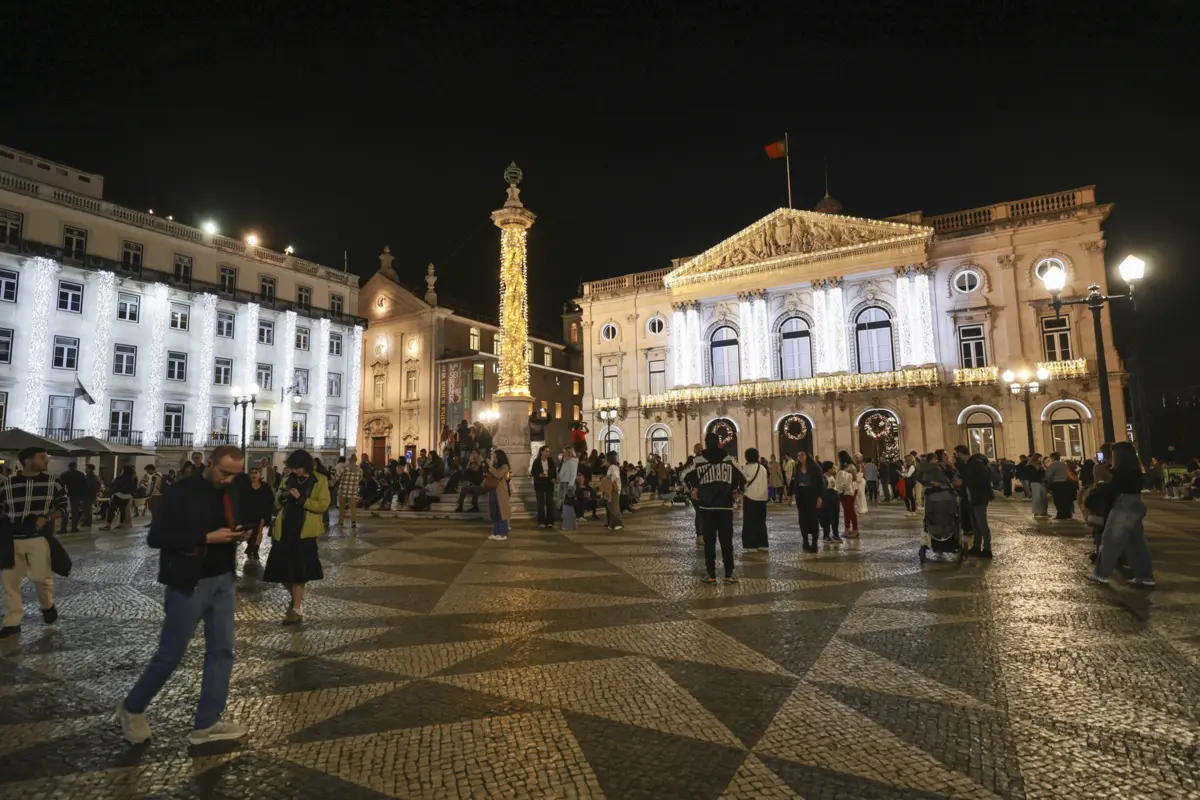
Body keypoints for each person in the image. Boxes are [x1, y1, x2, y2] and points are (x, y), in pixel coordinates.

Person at [116, 445, 250, 744]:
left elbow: (231, 519)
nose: (229, 479)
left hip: (223, 579)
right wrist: (205, 538)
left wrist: (240, 532)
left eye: (235, 474)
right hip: (189, 582)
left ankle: (206, 724)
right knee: (170, 654)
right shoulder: (182, 491)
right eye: (225, 472)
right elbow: (157, 537)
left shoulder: (233, 489)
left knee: (222, 651)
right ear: (210, 463)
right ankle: (131, 707)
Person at [0, 447, 69, 639]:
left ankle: (47, 605)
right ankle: (12, 622)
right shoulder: (8, 485)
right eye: (42, 457)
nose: (46, 460)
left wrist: (46, 517)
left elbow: (64, 506)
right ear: (27, 461)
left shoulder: (53, 483)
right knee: (9, 582)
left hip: (38, 538)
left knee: (40, 577)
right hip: (11, 539)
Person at [262, 450, 329, 624]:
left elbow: (322, 505)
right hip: (285, 529)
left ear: (306, 466)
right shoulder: (288, 478)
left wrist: (302, 500)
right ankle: (296, 596)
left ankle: (296, 609)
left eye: (298, 468)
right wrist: (281, 497)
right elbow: (277, 503)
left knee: (300, 572)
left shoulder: (319, 480)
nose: (296, 471)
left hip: (304, 531)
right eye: (293, 468)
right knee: (280, 570)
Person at [1088, 441, 1155, 586]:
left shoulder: (1119, 472)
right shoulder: (1136, 471)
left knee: (1111, 540)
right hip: (1136, 505)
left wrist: (1101, 479)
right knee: (1137, 543)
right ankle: (1146, 577)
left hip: (1123, 506)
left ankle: (1101, 574)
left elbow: (1111, 488)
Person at [682, 432, 745, 583]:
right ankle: (729, 573)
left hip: (706, 507)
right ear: (718, 443)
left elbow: (683, 475)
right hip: (725, 507)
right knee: (726, 541)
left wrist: (692, 490)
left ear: (706, 443)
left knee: (709, 542)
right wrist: (737, 491)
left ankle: (711, 574)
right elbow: (743, 477)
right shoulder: (729, 460)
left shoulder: (698, 460)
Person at [955, 445, 994, 558]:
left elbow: (981, 479)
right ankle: (976, 546)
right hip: (972, 498)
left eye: (956, 454)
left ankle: (987, 549)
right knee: (975, 524)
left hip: (979, 497)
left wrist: (963, 482)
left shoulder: (975, 463)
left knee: (981, 524)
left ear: (960, 453)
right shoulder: (970, 463)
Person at [791, 450, 825, 551]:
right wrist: (790, 495)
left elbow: (820, 483)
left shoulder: (815, 468)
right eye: (798, 455)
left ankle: (814, 542)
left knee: (813, 519)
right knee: (803, 519)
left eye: (802, 455)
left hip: (812, 495)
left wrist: (820, 497)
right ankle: (805, 541)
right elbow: (793, 481)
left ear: (807, 456)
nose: (800, 457)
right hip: (801, 496)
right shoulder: (796, 468)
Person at [242, 465, 275, 565]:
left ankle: (255, 550)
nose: (253, 474)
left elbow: (271, 499)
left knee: (259, 530)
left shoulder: (265, 486)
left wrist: (270, 511)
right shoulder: (245, 486)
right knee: (249, 532)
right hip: (248, 513)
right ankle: (250, 545)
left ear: (259, 474)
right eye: (251, 472)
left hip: (262, 512)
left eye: (256, 472)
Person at [740, 447, 769, 552]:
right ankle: (762, 543)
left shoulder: (746, 469)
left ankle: (751, 544)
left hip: (750, 498)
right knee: (761, 522)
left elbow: (743, 483)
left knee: (749, 522)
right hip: (762, 498)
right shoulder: (763, 468)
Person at [101, 465, 138, 529]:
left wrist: (112, 492)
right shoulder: (133, 479)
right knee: (122, 509)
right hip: (128, 497)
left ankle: (108, 525)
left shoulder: (119, 478)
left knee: (111, 508)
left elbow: (113, 487)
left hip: (118, 495)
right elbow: (135, 489)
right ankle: (122, 523)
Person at [487, 449, 512, 541]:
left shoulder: (504, 466)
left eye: (494, 455)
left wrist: (490, 466)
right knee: (495, 512)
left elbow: (498, 474)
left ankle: (503, 533)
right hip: (493, 490)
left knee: (502, 512)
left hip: (501, 491)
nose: (493, 457)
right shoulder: (495, 465)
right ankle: (496, 532)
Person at [530, 445, 558, 529]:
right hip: (540, 484)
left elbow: (553, 470)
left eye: (548, 451)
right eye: (546, 451)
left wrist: (553, 478)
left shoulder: (550, 460)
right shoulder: (537, 461)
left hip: (549, 483)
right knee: (540, 503)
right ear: (541, 452)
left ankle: (550, 521)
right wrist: (539, 474)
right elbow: (533, 472)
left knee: (549, 502)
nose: (547, 453)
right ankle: (541, 521)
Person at [835, 453, 861, 537]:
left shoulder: (851, 466)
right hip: (843, 489)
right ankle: (847, 528)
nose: (838, 459)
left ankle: (855, 529)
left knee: (851, 509)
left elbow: (854, 477)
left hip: (850, 489)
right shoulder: (842, 466)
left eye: (839, 457)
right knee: (846, 510)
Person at [334, 454, 361, 529]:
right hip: (353, 491)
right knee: (352, 508)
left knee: (341, 507)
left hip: (343, 490)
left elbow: (338, 477)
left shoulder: (345, 469)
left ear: (349, 460)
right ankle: (353, 522)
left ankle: (340, 522)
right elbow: (360, 479)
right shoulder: (360, 470)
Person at [819, 461, 842, 542]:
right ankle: (826, 535)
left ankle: (836, 534)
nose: (834, 469)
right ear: (828, 469)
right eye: (832, 468)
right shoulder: (823, 478)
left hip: (834, 497)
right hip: (827, 497)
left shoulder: (833, 476)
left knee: (835, 517)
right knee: (826, 517)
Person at [1045, 452, 1072, 520]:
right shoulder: (1063, 464)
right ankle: (1067, 514)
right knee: (1065, 499)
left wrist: (1047, 484)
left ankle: (1060, 514)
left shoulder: (1052, 465)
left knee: (1058, 500)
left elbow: (1049, 476)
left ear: (1053, 458)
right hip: (1065, 483)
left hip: (1057, 484)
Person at [602, 451, 624, 531]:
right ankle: (612, 523)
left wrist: (607, 479)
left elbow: (614, 477)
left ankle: (617, 523)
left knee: (614, 507)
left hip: (613, 489)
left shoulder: (612, 467)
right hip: (611, 489)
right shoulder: (612, 467)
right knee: (611, 506)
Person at [558, 449, 579, 526]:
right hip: (564, 482)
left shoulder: (572, 461)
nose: (563, 453)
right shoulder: (565, 461)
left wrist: (571, 485)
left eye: (565, 452)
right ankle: (568, 522)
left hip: (568, 484)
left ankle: (569, 523)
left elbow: (573, 474)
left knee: (568, 503)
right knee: (566, 503)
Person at [1028, 454, 1049, 518]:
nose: (1041, 459)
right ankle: (1037, 511)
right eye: (1040, 458)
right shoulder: (1031, 466)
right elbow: (1032, 475)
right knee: (1037, 497)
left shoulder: (1041, 465)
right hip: (1035, 482)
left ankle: (1044, 511)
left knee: (1044, 497)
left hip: (1042, 482)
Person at [84, 464, 102, 528]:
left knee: (87, 508)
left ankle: (87, 522)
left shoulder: (89, 476)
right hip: (92, 495)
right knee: (88, 508)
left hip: (88, 495)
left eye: (86, 468)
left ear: (89, 469)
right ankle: (87, 522)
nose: (85, 469)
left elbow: (87, 486)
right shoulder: (95, 476)